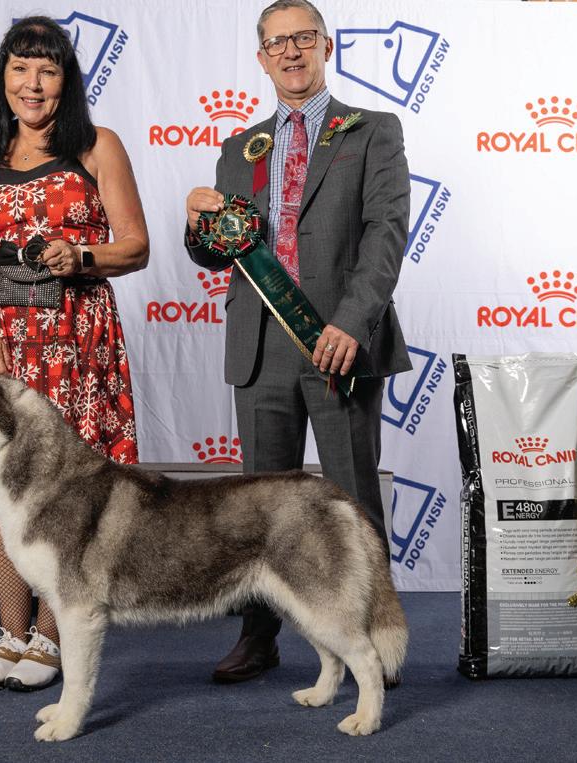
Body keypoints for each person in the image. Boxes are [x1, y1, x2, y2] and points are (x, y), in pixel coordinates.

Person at [184, 0, 411, 684]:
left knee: (353, 500)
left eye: (303, 38)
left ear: (326, 46)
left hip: (339, 340)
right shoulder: (239, 149)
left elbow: (385, 235)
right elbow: (218, 253)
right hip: (260, 346)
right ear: (261, 58)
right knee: (257, 509)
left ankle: (376, 637)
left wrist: (353, 321)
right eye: (277, 42)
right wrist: (196, 224)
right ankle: (259, 636)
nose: (290, 51)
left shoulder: (372, 130)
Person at [0, 16, 149, 691]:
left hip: (77, 335)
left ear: (65, 80)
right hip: (5, 340)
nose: (32, 84)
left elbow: (136, 245)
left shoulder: (96, 146)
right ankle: (10, 634)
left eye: (47, 69)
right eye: (20, 68)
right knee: (4, 483)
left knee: (68, 491)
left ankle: (51, 635)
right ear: (2, 78)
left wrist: (82, 254)